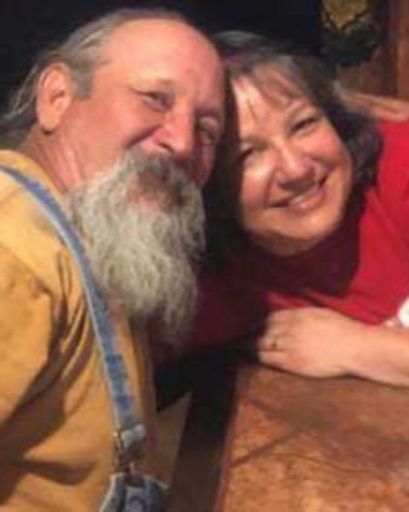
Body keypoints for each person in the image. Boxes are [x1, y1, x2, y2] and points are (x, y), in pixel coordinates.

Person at [0, 7, 225, 511]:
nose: (183, 142)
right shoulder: (13, 245)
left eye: (207, 129)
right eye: (155, 99)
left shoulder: (87, 236)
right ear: (57, 98)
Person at [188, 30, 409, 388]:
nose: (296, 170)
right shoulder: (218, 284)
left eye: (304, 124)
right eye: (248, 154)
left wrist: (360, 349)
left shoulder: (399, 168)